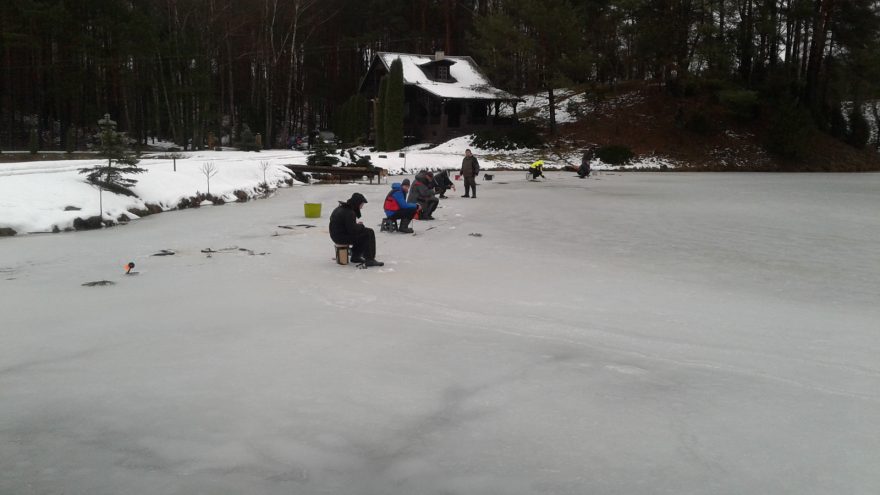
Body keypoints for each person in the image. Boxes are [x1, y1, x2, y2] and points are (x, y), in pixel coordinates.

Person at [329, 192, 383, 267]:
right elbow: (353, 230)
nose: (361, 207)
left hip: (335, 235)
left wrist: (356, 226)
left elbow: (345, 225)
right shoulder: (350, 212)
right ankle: (370, 259)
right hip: (341, 237)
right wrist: (360, 226)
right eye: (361, 205)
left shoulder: (341, 208)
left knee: (362, 233)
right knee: (368, 232)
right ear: (357, 203)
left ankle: (355, 256)